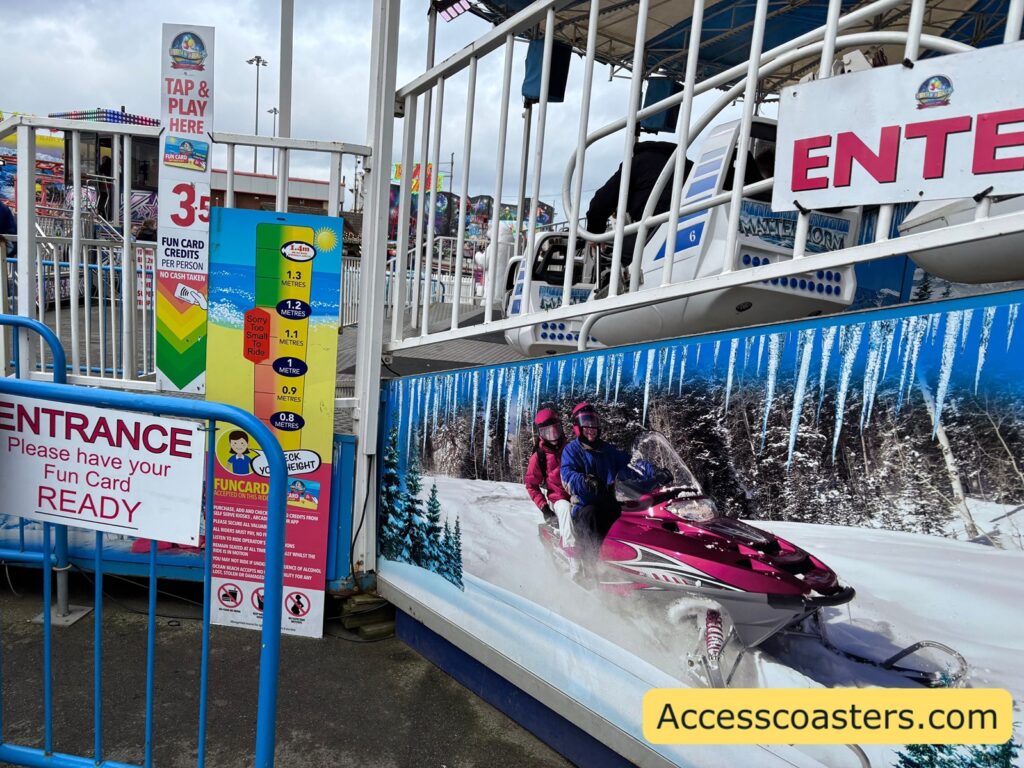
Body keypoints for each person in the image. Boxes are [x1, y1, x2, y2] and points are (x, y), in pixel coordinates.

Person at [585, 141, 694, 265]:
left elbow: (601, 201)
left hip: (652, 231)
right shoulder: (689, 167)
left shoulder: (636, 164)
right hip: (688, 231)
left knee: (619, 254)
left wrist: (595, 233)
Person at [560, 402, 632, 577]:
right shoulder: (572, 450)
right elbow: (567, 476)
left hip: (610, 500)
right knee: (592, 516)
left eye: (594, 423)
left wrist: (652, 470)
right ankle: (590, 569)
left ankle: (627, 563)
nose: (591, 428)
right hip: (584, 504)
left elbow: (630, 464)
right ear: (577, 427)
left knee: (630, 515)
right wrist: (585, 481)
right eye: (586, 424)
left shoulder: (607, 450)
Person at [524, 408, 577, 572]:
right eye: (547, 432)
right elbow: (531, 485)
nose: (553, 436)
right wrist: (545, 508)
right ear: (541, 434)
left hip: (577, 494)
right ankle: (573, 559)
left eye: (556, 430)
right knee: (566, 509)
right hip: (558, 499)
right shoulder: (539, 456)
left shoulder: (570, 448)